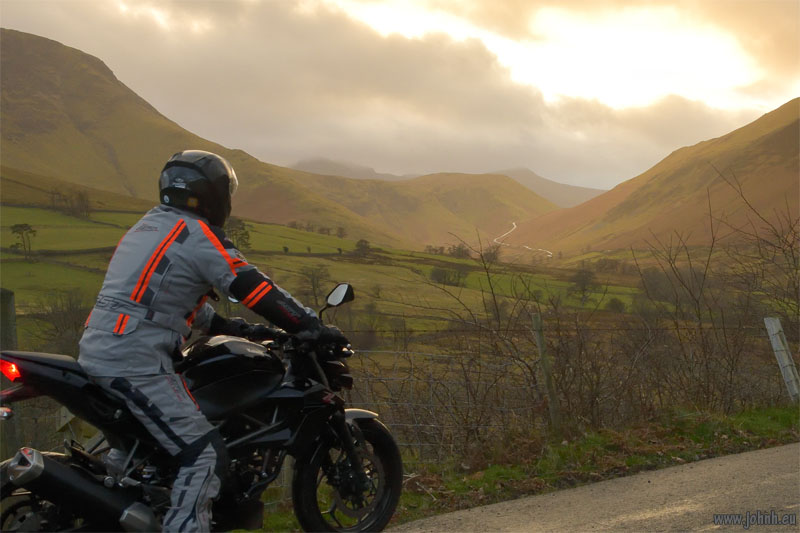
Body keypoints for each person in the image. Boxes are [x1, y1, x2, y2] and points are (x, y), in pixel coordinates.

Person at [78, 150, 345, 532]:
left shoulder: (148, 227)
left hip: (102, 349)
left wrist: (230, 326)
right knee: (202, 455)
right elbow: (253, 288)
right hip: (135, 359)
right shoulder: (198, 237)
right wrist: (310, 325)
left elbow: (163, 294)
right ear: (215, 195)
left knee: (137, 448)